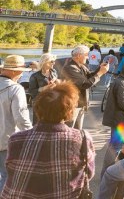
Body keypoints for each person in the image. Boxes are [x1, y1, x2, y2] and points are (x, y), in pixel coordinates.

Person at [1, 81, 95, 198]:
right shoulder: (81, 138)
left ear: (37, 108)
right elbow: (89, 173)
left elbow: (11, 169)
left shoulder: (16, 139)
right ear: (70, 111)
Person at [0, 55, 33, 191]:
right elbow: (21, 118)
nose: (21, 74)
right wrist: (31, 135)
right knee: (7, 177)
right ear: (13, 71)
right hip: (6, 140)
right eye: (20, 71)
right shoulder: (15, 89)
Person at [61, 45, 109, 129]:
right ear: (79, 55)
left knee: (78, 131)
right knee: (69, 130)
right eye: (87, 55)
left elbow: (89, 76)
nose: (88, 58)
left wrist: (100, 68)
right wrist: (100, 73)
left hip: (80, 104)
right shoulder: (70, 68)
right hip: (73, 104)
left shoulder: (80, 66)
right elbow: (85, 84)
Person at [27, 53, 58, 124]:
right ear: (44, 61)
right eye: (52, 61)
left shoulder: (54, 72)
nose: (54, 63)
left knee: (52, 122)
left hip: (53, 101)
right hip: (39, 103)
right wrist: (44, 88)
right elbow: (31, 91)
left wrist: (57, 83)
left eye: (54, 61)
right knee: (38, 123)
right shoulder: (35, 76)